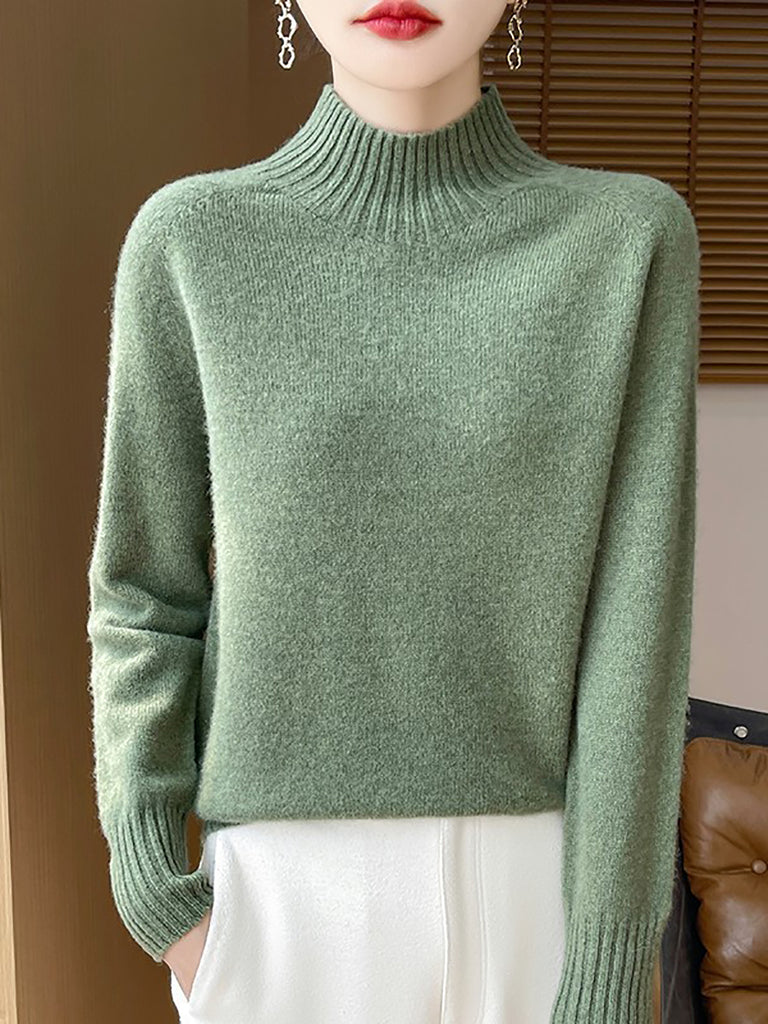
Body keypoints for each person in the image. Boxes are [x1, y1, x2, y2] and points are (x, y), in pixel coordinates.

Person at [85, 0, 701, 1021]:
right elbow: (144, 591)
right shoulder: (192, 242)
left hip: (538, 899)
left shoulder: (628, 240)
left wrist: (609, 948)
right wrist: (156, 884)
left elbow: (637, 633)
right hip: (274, 917)